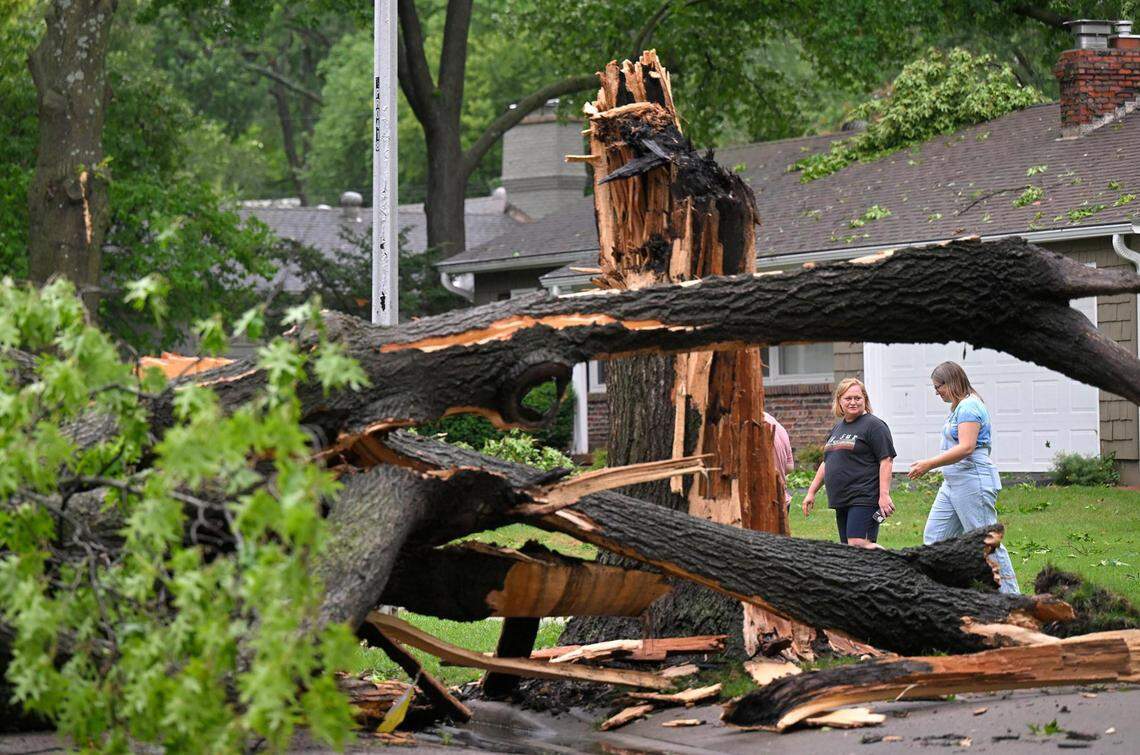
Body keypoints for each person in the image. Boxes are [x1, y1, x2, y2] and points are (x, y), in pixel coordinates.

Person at [908, 362, 1020, 594]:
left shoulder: (970, 407)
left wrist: (930, 463)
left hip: (972, 481)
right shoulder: (959, 408)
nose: (936, 392)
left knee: (986, 542)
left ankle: (1012, 599)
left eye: (937, 387)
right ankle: (941, 595)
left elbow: (967, 447)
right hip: (953, 483)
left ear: (950, 383)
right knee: (936, 538)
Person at [802, 378, 896, 548]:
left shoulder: (874, 426)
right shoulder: (837, 429)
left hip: (866, 498)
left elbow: (886, 460)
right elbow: (827, 463)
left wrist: (884, 495)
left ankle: (895, 566)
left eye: (858, 398)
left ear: (865, 400)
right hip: (842, 500)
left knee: (859, 543)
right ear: (839, 401)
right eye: (848, 398)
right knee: (848, 549)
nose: (853, 402)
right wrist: (811, 492)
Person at [764, 411, 794, 508]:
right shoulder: (778, 426)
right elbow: (789, 467)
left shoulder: (753, 424)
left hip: (763, 504)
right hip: (782, 499)